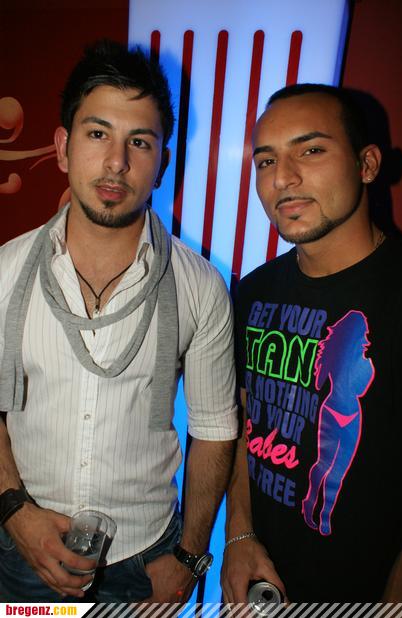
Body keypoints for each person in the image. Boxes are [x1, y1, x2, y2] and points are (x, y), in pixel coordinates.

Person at [0, 40, 238, 603]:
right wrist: (15, 512)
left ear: (162, 162)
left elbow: (214, 429)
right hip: (25, 554)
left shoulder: (201, 286)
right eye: (98, 134)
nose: (116, 162)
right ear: (63, 147)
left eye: (139, 142)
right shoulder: (5, 271)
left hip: (145, 568)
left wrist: (189, 558)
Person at [222, 84, 402, 602]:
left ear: (367, 164)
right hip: (262, 589)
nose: (282, 178)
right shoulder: (253, 292)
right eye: (266, 161)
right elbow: (244, 420)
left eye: (310, 149)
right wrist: (239, 535)